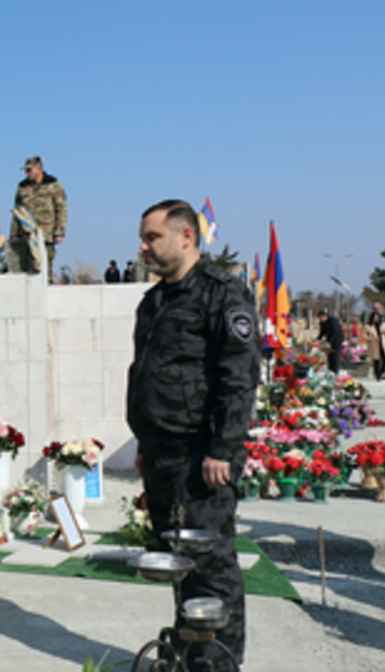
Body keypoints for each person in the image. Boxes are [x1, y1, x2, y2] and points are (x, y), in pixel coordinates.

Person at [127, 199, 259, 671]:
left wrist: (224, 447)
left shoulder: (222, 293)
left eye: (152, 238)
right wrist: (144, 444)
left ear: (186, 237)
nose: (143, 247)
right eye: (142, 238)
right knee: (180, 561)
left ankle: (219, 663)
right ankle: (188, 654)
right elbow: (145, 374)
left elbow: (239, 375)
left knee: (212, 564)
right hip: (162, 453)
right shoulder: (154, 301)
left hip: (203, 455)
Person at [11, 156, 67, 283]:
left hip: (46, 233)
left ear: (39, 169)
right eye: (26, 171)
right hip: (25, 234)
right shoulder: (22, 187)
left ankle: (47, 291)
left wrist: (60, 231)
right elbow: (17, 211)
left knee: (45, 267)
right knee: (25, 268)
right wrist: (14, 233)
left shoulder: (54, 186)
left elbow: (61, 209)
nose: (27, 173)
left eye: (29, 170)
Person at [364, 311, 385, 381]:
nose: (377, 319)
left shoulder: (384, 324)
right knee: (376, 360)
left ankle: (383, 371)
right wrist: (369, 338)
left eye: (378, 317)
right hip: (374, 345)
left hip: (383, 344)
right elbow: (364, 335)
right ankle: (378, 375)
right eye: (375, 317)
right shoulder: (368, 326)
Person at [317, 309, 344, 374]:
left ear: (325, 316)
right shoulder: (322, 323)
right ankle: (330, 371)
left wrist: (330, 343)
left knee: (335, 357)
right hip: (329, 340)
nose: (321, 319)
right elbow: (322, 332)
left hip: (337, 340)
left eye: (321, 318)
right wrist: (318, 340)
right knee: (330, 357)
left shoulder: (333, 321)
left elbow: (336, 333)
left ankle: (335, 372)